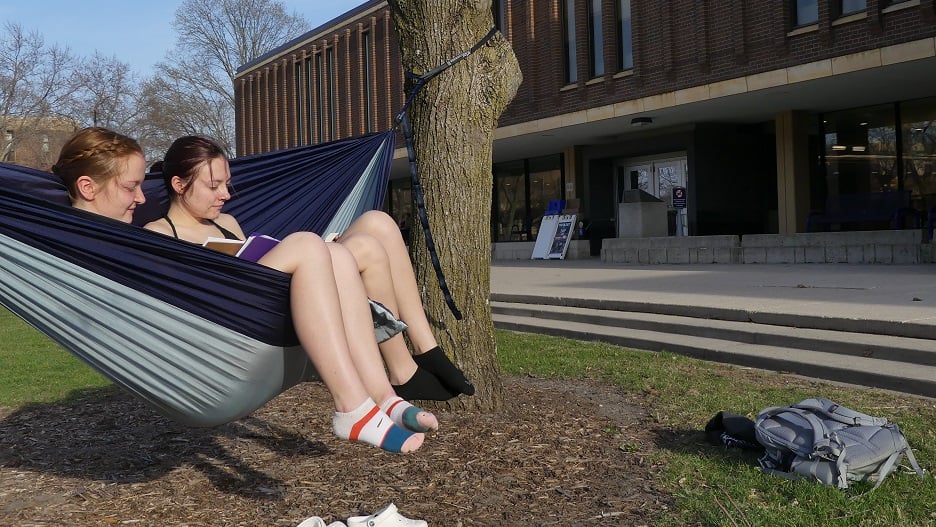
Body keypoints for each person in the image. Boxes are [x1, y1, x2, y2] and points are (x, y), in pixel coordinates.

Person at [53, 127, 431, 454]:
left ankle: (383, 398)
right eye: (131, 187)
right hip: (218, 327)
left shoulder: (137, 231)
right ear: (87, 187)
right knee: (307, 245)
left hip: (248, 311)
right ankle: (353, 407)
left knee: (336, 253)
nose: (141, 197)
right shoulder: (130, 238)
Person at [145, 135, 474, 402]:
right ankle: (404, 371)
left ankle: (421, 353)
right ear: (179, 184)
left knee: (379, 226)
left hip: (285, 291)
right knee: (317, 245)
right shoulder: (159, 234)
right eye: (214, 186)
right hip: (242, 313)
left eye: (227, 184)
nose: (226, 195)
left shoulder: (226, 222)